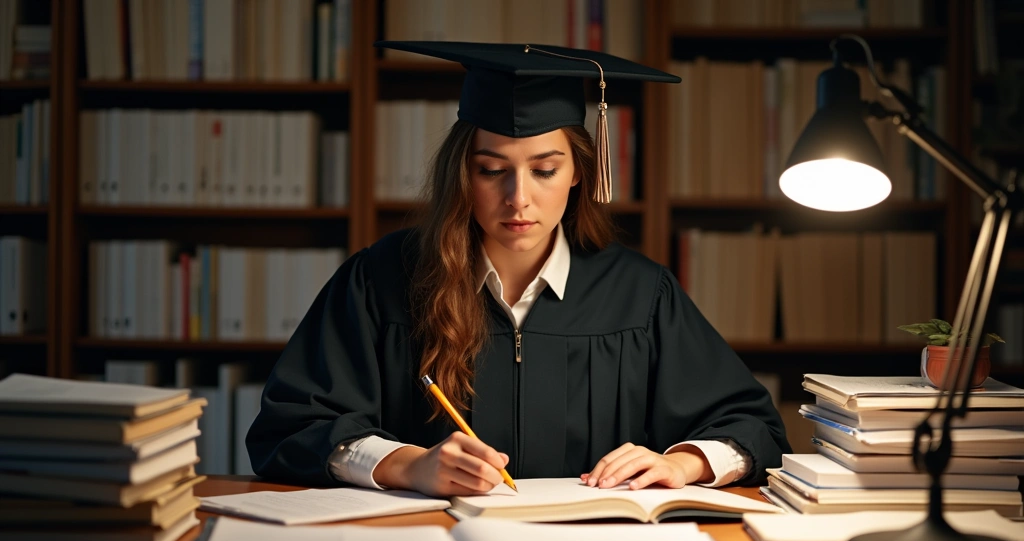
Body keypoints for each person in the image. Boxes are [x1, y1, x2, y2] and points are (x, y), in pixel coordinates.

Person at [247, 41, 789, 497]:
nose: (519, 199)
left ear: (580, 171)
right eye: (491, 170)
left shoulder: (640, 294)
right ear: (463, 174)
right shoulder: (381, 280)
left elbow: (755, 429)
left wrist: (683, 463)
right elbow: (290, 429)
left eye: (545, 170)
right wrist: (407, 465)